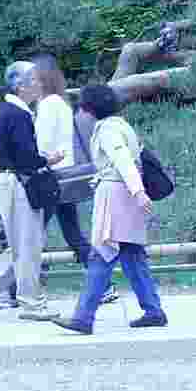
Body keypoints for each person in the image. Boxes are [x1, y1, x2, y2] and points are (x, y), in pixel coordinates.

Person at [54, 85, 167, 334]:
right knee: (132, 255)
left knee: (102, 255)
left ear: (89, 109)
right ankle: (153, 311)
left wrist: (138, 192)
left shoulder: (107, 130)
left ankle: (83, 318)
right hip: (125, 194)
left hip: (116, 196)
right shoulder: (122, 125)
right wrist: (137, 191)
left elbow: (123, 161)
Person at [0, 61, 59, 320]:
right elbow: (26, 157)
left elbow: (7, 153)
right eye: (34, 80)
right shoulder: (19, 115)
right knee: (29, 245)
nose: (39, 84)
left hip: (9, 181)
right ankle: (31, 303)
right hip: (19, 183)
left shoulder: (8, 111)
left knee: (22, 244)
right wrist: (48, 159)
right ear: (20, 85)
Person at [30, 54, 117, 307]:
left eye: (32, 78)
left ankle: (18, 288)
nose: (29, 83)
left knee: (33, 233)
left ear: (41, 79)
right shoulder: (60, 102)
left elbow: (43, 144)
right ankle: (103, 285)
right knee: (72, 234)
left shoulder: (48, 105)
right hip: (64, 177)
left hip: (52, 177)